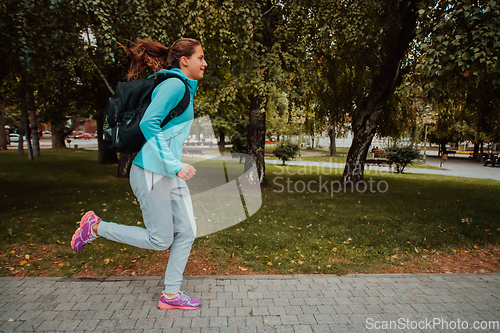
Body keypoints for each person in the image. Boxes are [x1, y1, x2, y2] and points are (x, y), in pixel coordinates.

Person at [71, 38, 207, 310]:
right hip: (152, 171)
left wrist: (175, 166)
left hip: (167, 173)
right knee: (160, 240)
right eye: (200, 57)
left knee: (188, 231)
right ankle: (95, 227)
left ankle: (171, 294)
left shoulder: (183, 88)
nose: (205, 63)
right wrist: (176, 164)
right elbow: (149, 123)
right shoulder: (174, 84)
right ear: (184, 60)